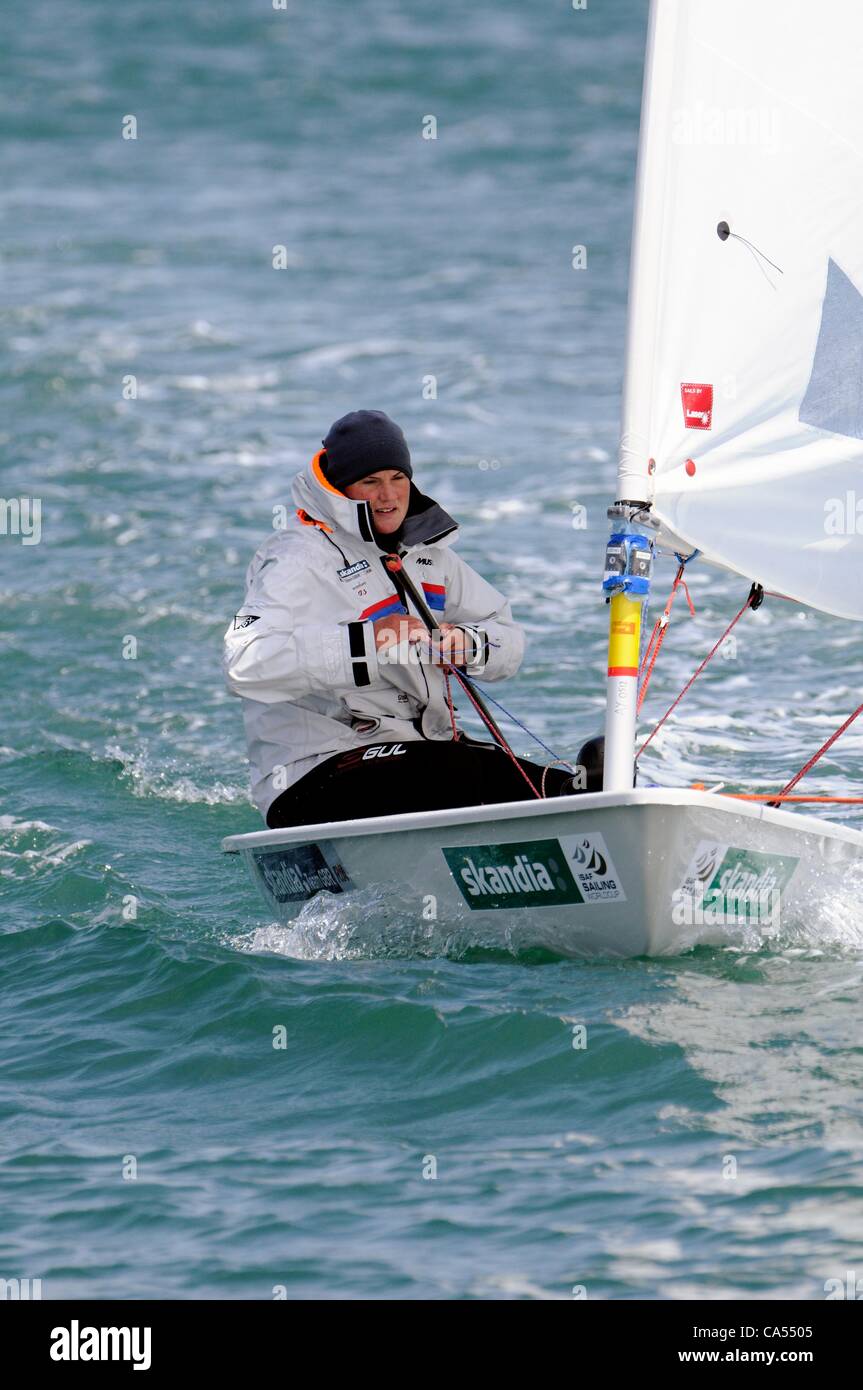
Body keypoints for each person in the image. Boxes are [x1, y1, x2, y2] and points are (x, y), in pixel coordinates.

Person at [223, 409, 591, 828]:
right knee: (457, 770)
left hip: (418, 756)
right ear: (341, 488)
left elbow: (506, 635)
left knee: (573, 786)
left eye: (398, 478)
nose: (388, 495)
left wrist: (469, 643)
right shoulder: (295, 558)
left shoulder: (428, 554)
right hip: (312, 769)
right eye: (370, 482)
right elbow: (243, 662)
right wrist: (369, 643)